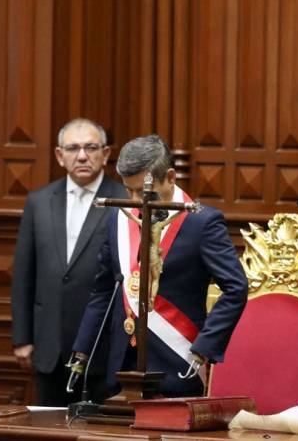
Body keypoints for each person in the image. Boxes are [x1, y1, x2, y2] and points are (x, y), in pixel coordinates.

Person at [69, 134, 247, 397]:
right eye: (127, 190)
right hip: (122, 367)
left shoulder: (202, 222)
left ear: (171, 178)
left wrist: (203, 349)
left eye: (143, 192)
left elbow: (236, 287)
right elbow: (104, 290)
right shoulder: (118, 218)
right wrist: (82, 351)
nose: (135, 201)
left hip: (177, 362)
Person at [11, 118, 128, 406]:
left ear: (106, 154)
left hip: (103, 347)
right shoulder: (38, 201)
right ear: (59, 156)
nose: (82, 156)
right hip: (49, 347)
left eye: (91, 147)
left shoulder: (124, 199)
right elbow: (24, 274)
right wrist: (22, 338)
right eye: (73, 148)